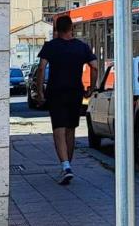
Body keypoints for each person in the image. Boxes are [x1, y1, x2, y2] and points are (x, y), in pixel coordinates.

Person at [35, 15, 97, 185]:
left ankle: (65, 166)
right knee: (70, 129)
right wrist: (91, 87)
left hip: (56, 92)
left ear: (57, 29)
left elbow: (41, 68)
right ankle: (67, 165)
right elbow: (94, 66)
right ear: (71, 28)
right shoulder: (82, 47)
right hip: (75, 92)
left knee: (58, 129)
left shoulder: (51, 46)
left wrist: (40, 92)